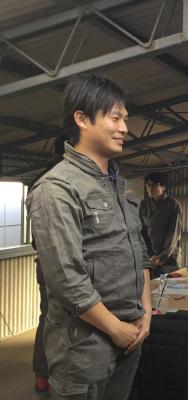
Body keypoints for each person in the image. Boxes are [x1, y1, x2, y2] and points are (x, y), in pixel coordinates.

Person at [26, 75, 152, 400]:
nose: (124, 128)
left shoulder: (119, 186)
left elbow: (139, 254)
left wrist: (146, 312)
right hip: (84, 346)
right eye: (115, 118)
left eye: (125, 119)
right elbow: (66, 279)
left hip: (129, 335)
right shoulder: (57, 189)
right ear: (82, 119)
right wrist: (114, 328)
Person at [30, 134, 67, 393]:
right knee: (66, 320)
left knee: (48, 317)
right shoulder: (64, 179)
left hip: (44, 261)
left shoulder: (38, 179)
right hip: (62, 264)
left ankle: (42, 376)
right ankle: (56, 377)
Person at [139, 172, 183, 279]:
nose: (150, 188)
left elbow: (173, 234)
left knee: (170, 286)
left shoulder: (173, 205)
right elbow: (142, 232)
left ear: (163, 187)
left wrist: (162, 257)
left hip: (169, 258)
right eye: (148, 185)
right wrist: (150, 254)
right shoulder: (144, 204)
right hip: (151, 258)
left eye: (153, 185)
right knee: (152, 287)